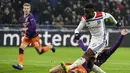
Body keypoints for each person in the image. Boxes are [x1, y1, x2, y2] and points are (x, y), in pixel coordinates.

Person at [61, 4, 121, 73]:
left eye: (87, 12)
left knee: (87, 54)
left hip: (101, 41)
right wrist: (76, 34)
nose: (86, 14)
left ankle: (68, 68)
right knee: (89, 64)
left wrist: (116, 23)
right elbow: (77, 29)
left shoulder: (100, 15)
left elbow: (109, 15)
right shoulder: (84, 19)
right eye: (85, 12)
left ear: (92, 11)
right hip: (93, 40)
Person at [50, 29, 128, 73]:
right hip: (75, 64)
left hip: (84, 70)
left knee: (76, 72)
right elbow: (83, 46)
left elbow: (115, 46)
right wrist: (79, 39)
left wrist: (122, 35)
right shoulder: (92, 49)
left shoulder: (106, 54)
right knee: (52, 71)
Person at [12, 3, 55, 70]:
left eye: (27, 8)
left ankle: (50, 46)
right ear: (23, 9)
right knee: (21, 48)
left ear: (30, 9)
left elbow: (34, 27)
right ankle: (20, 65)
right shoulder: (22, 18)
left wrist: (27, 33)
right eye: (25, 8)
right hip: (27, 37)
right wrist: (24, 32)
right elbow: (25, 27)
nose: (26, 10)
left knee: (40, 52)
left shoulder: (31, 17)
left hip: (34, 37)